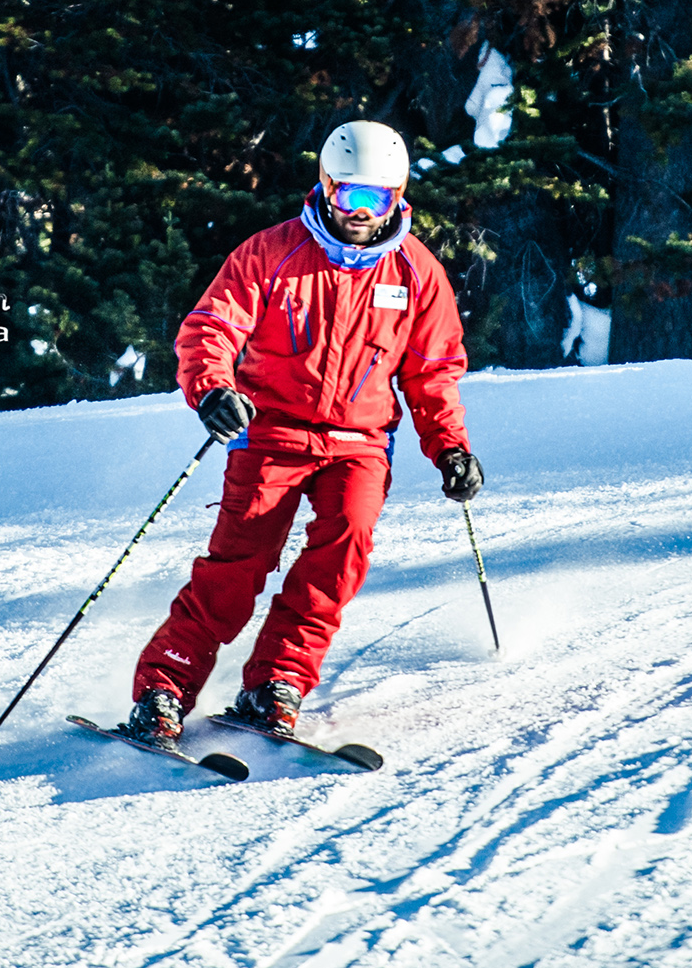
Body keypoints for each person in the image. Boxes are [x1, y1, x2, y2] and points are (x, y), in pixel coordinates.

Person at [120, 120, 484, 748]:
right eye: (349, 197)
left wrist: (449, 446)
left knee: (340, 556)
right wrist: (213, 389)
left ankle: (277, 681)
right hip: (268, 434)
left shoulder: (415, 272)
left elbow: (433, 371)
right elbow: (211, 327)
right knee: (239, 564)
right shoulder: (272, 252)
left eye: (378, 200)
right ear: (325, 187)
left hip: (359, 443)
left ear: (399, 198)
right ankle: (165, 688)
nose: (361, 214)